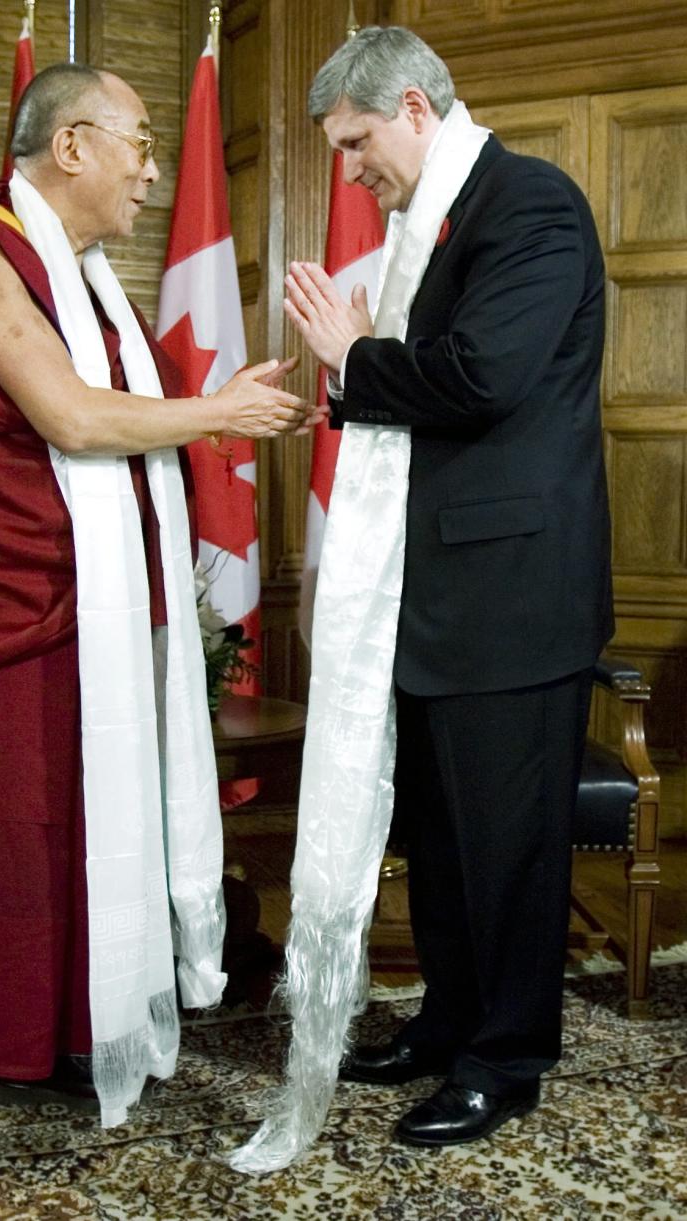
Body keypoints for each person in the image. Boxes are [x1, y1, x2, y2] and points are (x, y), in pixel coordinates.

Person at [0, 62, 319, 1203]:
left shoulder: (88, 278)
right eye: (139, 145)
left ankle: (45, 1037)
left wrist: (224, 405)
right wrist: (221, 413)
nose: (154, 171)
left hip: (80, 605)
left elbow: (117, 433)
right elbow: (68, 416)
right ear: (72, 145)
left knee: (63, 831)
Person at [282, 26, 613, 1149]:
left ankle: (504, 1061)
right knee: (441, 837)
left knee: (507, 848)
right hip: (427, 602)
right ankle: (449, 1022)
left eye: (359, 140)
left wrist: (353, 357)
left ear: (417, 108)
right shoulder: (433, 221)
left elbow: (482, 377)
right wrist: (355, 366)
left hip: (513, 599)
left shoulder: (531, 206)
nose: (352, 168)